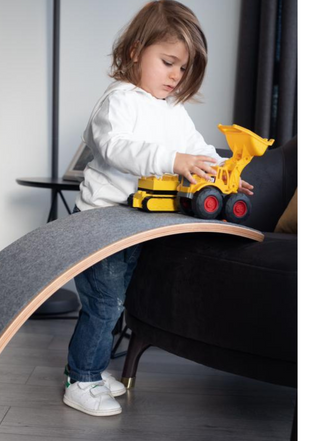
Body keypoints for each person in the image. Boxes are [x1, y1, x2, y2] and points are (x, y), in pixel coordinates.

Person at [63, 0, 254, 417]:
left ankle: (91, 368)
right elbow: (118, 149)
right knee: (104, 303)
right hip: (101, 222)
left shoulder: (171, 109)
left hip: (135, 225)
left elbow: (197, 147)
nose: (175, 76)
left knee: (119, 299)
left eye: (183, 69)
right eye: (168, 62)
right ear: (135, 51)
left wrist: (222, 171)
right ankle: (81, 379)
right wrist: (173, 161)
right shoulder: (119, 101)